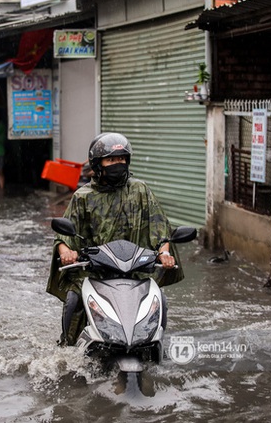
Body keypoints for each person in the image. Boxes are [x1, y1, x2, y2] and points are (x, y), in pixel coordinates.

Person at [46, 132, 184, 346]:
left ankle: (156, 345)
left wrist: (164, 253)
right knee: (74, 299)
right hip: (94, 270)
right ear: (98, 164)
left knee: (160, 301)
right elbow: (64, 236)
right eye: (111, 159)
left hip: (135, 269)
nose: (117, 164)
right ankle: (67, 347)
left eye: (121, 159)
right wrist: (67, 254)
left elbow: (160, 228)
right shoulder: (83, 197)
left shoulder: (140, 191)